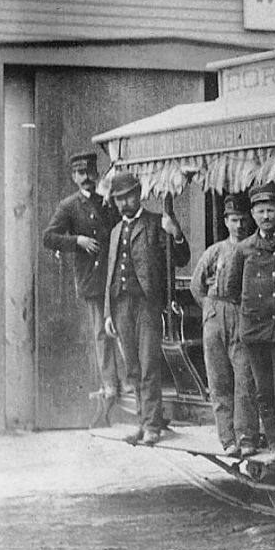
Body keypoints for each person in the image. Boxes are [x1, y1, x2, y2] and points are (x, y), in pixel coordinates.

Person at [101, 169, 189, 444]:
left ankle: (152, 424)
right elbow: (111, 272)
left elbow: (181, 258)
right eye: (119, 199)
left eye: (128, 197)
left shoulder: (155, 223)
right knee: (132, 368)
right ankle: (144, 420)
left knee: (149, 364)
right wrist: (107, 313)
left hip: (147, 305)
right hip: (120, 306)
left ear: (139, 195)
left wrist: (175, 234)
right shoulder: (116, 231)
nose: (124, 203)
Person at [42, 150, 124, 411]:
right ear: (73, 177)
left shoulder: (107, 201)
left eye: (90, 172)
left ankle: (127, 381)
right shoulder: (68, 206)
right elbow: (49, 237)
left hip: (114, 275)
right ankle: (110, 383)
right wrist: (77, 241)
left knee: (122, 328)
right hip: (91, 278)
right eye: (81, 173)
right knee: (101, 331)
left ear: (97, 173)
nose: (86, 177)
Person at [226, 184, 275, 459]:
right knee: (263, 391)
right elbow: (233, 290)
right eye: (260, 211)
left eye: (270, 210)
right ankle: (273, 441)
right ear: (253, 215)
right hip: (254, 331)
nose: (266, 215)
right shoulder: (244, 249)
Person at [188, 193, 256, 455]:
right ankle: (227, 439)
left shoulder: (252, 248)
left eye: (243, 220)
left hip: (242, 313)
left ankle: (247, 438)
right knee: (218, 379)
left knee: (244, 378)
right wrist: (209, 310)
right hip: (215, 314)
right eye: (234, 220)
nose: (239, 225)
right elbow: (196, 284)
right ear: (226, 221)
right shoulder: (215, 251)